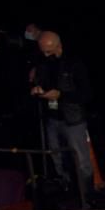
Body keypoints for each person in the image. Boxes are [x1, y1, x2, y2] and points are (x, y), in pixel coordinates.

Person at [30, 31, 93, 196]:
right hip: (52, 117)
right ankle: (67, 190)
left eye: (49, 51)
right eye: (43, 51)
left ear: (58, 46)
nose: (46, 54)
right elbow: (41, 82)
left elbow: (86, 94)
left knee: (81, 159)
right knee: (57, 158)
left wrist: (61, 95)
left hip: (73, 118)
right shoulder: (43, 63)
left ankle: (87, 195)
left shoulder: (74, 64)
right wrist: (38, 89)